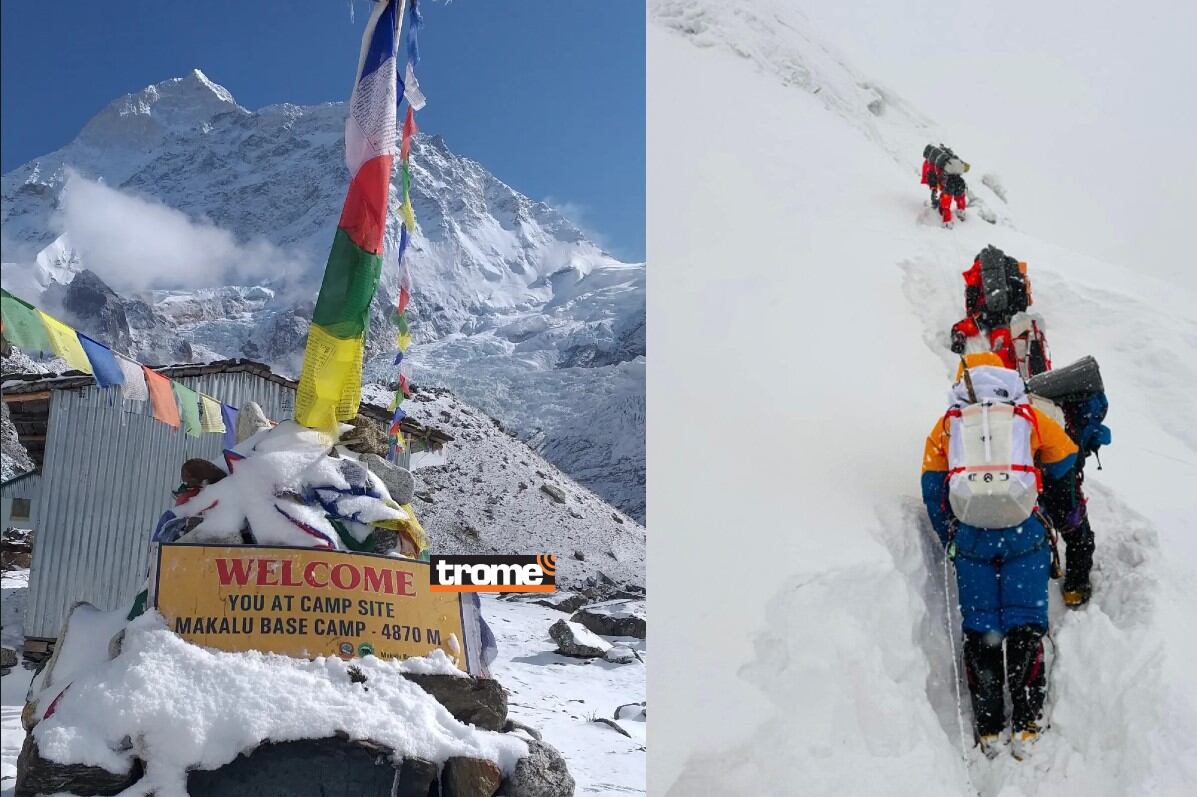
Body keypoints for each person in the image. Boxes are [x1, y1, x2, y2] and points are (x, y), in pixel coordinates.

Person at [921, 352, 1079, 758]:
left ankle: (989, 727)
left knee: (981, 628)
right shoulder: (1026, 416)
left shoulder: (948, 425)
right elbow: (1064, 456)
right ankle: (1027, 721)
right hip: (1024, 532)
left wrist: (950, 534)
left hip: (973, 537)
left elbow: (932, 484)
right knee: (1024, 622)